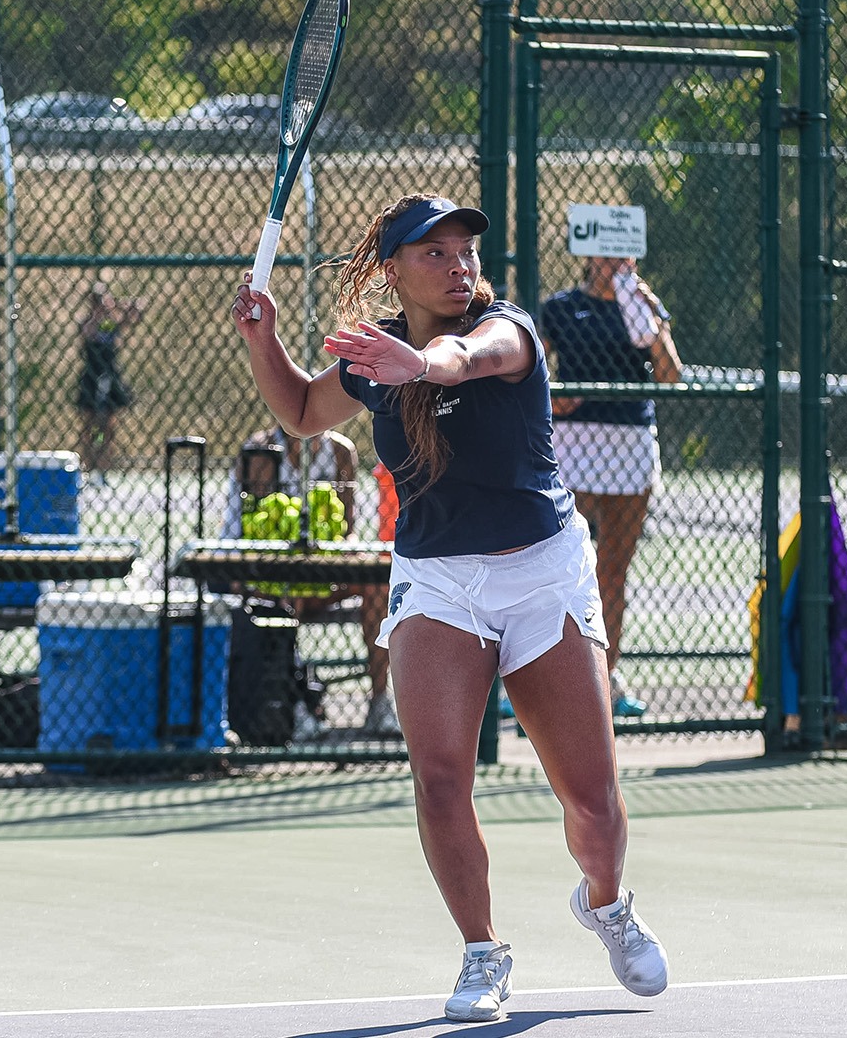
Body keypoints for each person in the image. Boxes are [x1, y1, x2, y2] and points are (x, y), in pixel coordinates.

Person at [230, 194, 668, 1022]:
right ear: (394, 269)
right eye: (436, 253)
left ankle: (606, 904)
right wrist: (267, 342)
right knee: (438, 781)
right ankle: (481, 949)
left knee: (594, 803)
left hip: (543, 575)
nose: (459, 263)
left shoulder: (511, 329)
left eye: (465, 250)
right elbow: (297, 411)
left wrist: (425, 364)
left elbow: (470, 358)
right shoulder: (371, 358)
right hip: (437, 582)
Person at [537, 255, 683, 718]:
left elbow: (670, 376)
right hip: (575, 444)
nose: (612, 262)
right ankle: (538, 680)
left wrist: (654, 320)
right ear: (585, 255)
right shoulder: (559, 307)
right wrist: (553, 400)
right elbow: (531, 374)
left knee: (614, 568)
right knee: (558, 565)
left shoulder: (643, 307)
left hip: (631, 443)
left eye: (622, 253)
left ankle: (607, 676)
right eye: (603, 252)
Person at [224, 427, 395, 737]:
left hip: (325, 571)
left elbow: (347, 528)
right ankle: (297, 703)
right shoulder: (262, 451)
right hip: (274, 575)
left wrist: (338, 552)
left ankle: (380, 702)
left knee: (377, 583)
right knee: (290, 593)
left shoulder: (341, 451)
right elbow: (253, 528)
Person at [75, 272, 140, 480]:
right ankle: (87, 468)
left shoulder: (111, 324)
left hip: (110, 377)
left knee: (107, 429)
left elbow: (134, 315)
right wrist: (98, 312)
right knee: (89, 427)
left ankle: (103, 470)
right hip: (91, 378)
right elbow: (86, 334)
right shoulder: (88, 322)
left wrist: (120, 307)